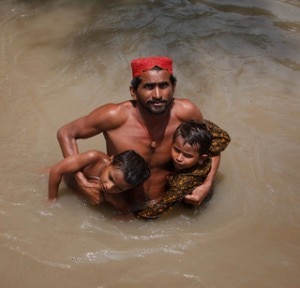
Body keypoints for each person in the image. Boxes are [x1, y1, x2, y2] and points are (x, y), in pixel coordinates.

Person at [56, 56, 224, 213]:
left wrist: (207, 184)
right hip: (120, 203)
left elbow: (212, 146)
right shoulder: (114, 116)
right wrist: (81, 182)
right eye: (149, 87)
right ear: (133, 91)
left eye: (163, 86)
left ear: (173, 87)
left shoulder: (186, 112)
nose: (157, 95)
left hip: (164, 202)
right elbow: (66, 133)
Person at [135, 120, 230, 219]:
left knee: (186, 206)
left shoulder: (183, 182)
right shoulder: (200, 144)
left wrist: (136, 217)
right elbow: (223, 137)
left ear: (202, 158)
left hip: (191, 198)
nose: (179, 158)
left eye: (187, 155)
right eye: (176, 150)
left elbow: (161, 207)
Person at [48, 150, 150, 206]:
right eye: (111, 178)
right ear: (110, 160)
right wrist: (52, 200)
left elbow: (126, 214)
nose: (109, 187)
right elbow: (56, 171)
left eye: (119, 188)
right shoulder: (93, 159)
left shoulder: (113, 196)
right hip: (60, 180)